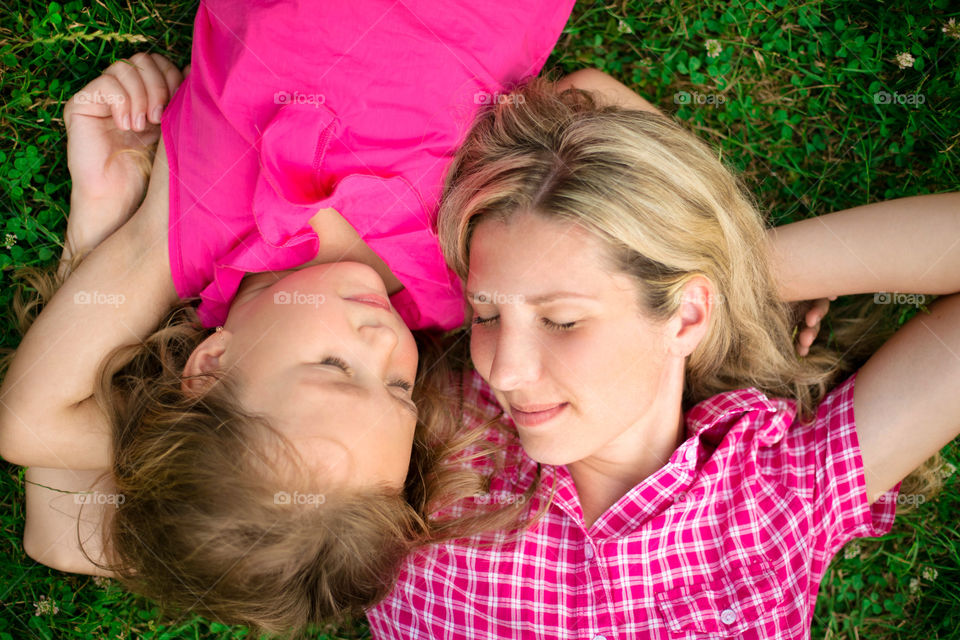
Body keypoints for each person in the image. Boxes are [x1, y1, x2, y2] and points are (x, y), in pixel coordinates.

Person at [0, 0, 575, 633]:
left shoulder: (184, 233)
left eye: (335, 367)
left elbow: (30, 435)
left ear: (212, 364)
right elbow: (586, 104)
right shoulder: (459, 271)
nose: (382, 341)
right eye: (398, 388)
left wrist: (102, 226)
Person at [365, 75, 960, 638]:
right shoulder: (414, 437)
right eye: (487, 315)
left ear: (687, 317)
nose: (505, 369)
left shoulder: (781, 502)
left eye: (563, 320)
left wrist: (744, 275)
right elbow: (580, 91)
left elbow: (583, 94)